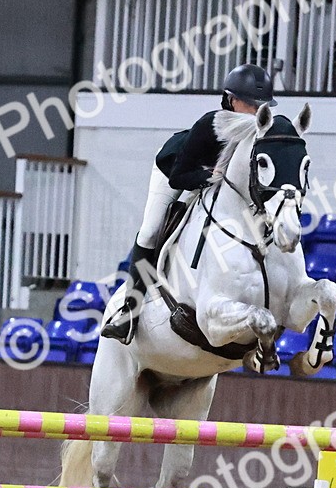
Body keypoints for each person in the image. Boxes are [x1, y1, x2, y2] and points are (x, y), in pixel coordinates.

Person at [101, 63, 278, 344]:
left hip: (217, 184)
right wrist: (208, 177)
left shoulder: (261, 132)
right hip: (175, 169)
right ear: (232, 100)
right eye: (252, 104)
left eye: (262, 105)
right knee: (150, 230)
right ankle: (129, 311)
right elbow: (179, 176)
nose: (258, 111)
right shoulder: (209, 125)